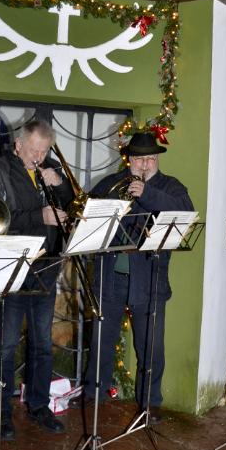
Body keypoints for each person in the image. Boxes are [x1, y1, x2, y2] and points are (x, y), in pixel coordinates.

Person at [69, 132, 194, 423]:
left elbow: (186, 212)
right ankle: (93, 394)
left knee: (150, 346)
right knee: (102, 340)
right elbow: (87, 214)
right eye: (139, 159)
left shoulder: (170, 186)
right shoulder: (111, 184)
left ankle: (150, 403)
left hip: (149, 279)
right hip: (110, 275)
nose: (146, 164)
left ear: (157, 159)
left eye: (151, 158)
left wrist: (146, 193)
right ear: (130, 160)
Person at [0, 119, 73, 440]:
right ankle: (1, 413)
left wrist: (59, 183)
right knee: (5, 346)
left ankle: (38, 406)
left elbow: (72, 203)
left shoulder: (50, 167)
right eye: (34, 150)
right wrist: (39, 216)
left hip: (46, 267)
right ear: (18, 145)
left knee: (42, 344)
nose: (39, 156)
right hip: (11, 268)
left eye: (44, 151)